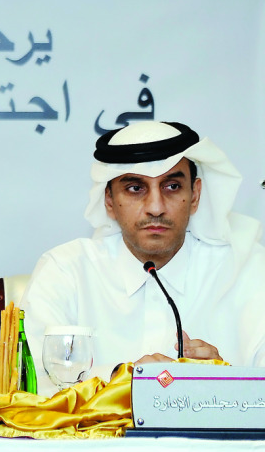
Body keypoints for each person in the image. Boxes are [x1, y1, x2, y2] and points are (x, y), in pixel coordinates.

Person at [23, 121, 265, 386]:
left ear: (195, 195)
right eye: (135, 188)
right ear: (109, 200)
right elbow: (33, 381)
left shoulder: (249, 271)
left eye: (171, 186)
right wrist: (122, 379)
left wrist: (224, 382)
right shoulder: (65, 271)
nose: (156, 208)